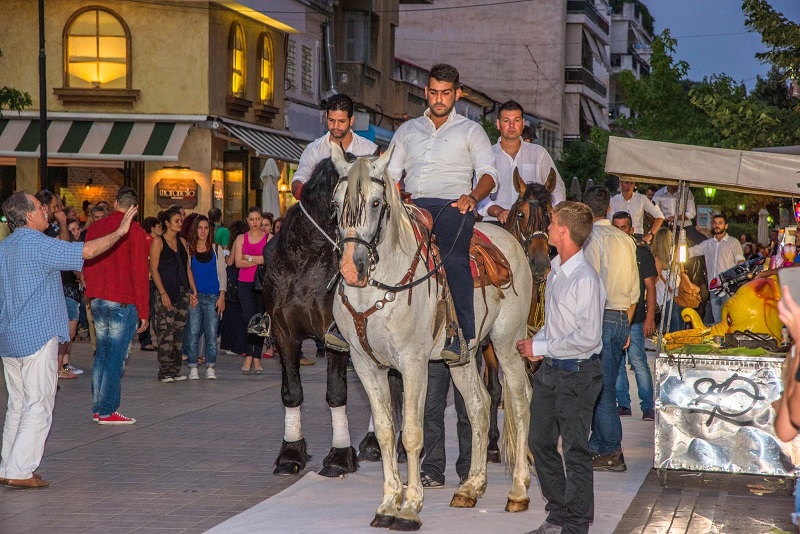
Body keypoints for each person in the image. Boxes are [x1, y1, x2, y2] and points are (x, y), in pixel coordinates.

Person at [386, 63, 499, 487]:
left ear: (457, 94)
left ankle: (462, 335)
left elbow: (490, 174)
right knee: (373, 250)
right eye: (433, 92)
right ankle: (353, 323)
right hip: (413, 207)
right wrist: (394, 198)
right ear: (426, 92)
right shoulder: (407, 131)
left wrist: (472, 196)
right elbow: (391, 173)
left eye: (445, 92)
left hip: (453, 205)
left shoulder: (471, 131)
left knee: (452, 259)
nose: (438, 98)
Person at [0, 192, 138, 488]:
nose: (45, 211)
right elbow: (86, 251)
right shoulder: (36, 243)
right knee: (38, 404)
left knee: (18, 404)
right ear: (28, 216)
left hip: (10, 336)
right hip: (36, 334)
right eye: (40, 208)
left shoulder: (6, 246)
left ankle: (8, 464)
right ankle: (20, 470)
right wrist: (119, 232)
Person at [517, 201, 605, 534]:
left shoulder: (585, 279)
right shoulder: (556, 270)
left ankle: (576, 525)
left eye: (552, 223)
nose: (548, 228)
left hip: (579, 375)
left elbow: (587, 337)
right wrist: (538, 343)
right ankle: (559, 512)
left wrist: (540, 347)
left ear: (564, 231)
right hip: (552, 372)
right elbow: (556, 326)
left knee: (575, 450)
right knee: (539, 442)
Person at [582, 186, 639, 472]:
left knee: (600, 390)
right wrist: (626, 325)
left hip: (600, 317)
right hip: (620, 316)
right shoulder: (626, 240)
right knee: (605, 383)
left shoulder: (590, 238)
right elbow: (634, 291)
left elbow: (589, 285)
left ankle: (612, 450)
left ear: (585, 208)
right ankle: (598, 445)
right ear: (607, 209)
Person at [83, 187, 150, 425]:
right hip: (122, 300)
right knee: (115, 357)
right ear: (135, 209)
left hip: (98, 298)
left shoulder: (96, 227)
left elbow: (87, 260)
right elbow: (140, 272)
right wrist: (144, 310)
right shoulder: (136, 231)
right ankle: (107, 410)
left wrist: (90, 293)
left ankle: (98, 407)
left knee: (102, 353)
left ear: (115, 203)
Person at [477, 100, 565, 224]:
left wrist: (553, 215)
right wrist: (498, 211)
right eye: (506, 121)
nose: (511, 126)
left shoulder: (539, 153)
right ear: (498, 124)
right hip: (495, 222)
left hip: (533, 224)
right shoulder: (487, 155)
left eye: (516, 120)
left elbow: (557, 188)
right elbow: (480, 197)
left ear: (523, 123)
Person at [610, 211, 657, 421]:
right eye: (616, 227)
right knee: (618, 363)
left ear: (631, 229)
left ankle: (648, 406)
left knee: (638, 362)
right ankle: (623, 404)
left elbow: (650, 287)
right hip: (614, 316)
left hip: (636, 318)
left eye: (624, 227)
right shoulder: (608, 253)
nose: (620, 231)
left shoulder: (642, 254)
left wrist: (650, 317)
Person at [290, 93, 378, 200]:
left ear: (351, 120)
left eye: (341, 121)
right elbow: (300, 178)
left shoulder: (369, 150)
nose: (336, 126)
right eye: (331, 120)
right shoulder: (314, 149)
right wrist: (301, 191)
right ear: (326, 117)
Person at [150, 207, 197, 383]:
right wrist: (162, 293)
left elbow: (187, 267)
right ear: (167, 223)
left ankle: (175, 370)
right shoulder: (158, 242)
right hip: (166, 292)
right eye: (177, 221)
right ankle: (165, 372)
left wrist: (193, 289)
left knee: (179, 333)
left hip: (182, 291)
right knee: (166, 333)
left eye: (180, 220)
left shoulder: (182, 241)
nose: (180, 223)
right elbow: (154, 269)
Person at [184, 215, 226, 380]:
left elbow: (222, 274)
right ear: (195, 230)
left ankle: (210, 367)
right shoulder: (189, 250)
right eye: (200, 228)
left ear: (210, 230)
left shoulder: (216, 249)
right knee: (193, 333)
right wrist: (190, 294)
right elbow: (186, 274)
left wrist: (222, 296)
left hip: (213, 297)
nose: (203, 231)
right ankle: (193, 366)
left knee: (211, 335)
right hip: (195, 298)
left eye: (206, 228)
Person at [688, 214, 744, 323]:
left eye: (720, 223)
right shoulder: (707, 244)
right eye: (715, 223)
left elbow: (740, 262)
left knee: (730, 318)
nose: (717, 225)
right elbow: (691, 252)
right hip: (714, 288)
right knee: (718, 319)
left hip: (729, 287)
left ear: (726, 226)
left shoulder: (733, 242)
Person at [233, 207, 267, 374]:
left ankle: (257, 358)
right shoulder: (241, 238)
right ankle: (248, 355)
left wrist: (249, 257)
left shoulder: (268, 238)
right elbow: (238, 263)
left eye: (257, 219)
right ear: (247, 220)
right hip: (244, 283)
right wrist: (258, 260)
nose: (255, 222)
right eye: (252, 219)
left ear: (262, 220)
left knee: (260, 321)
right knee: (249, 319)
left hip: (262, 285)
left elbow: (268, 259)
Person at [58, 218, 85, 380]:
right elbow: (76, 269)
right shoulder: (67, 248)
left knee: (69, 334)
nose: (77, 231)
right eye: (73, 229)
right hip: (67, 293)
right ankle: (58, 367)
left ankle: (65, 364)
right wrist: (83, 279)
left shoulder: (76, 246)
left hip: (74, 293)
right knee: (68, 332)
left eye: (77, 228)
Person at [219, 220, 248, 356]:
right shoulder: (248, 242)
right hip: (245, 280)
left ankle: (236, 345)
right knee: (239, 315)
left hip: (233, 283)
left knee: (232, 315)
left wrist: (224, 258)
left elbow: (230, 262)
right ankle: (237, 345)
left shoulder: (237, 241)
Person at [138, 216, 161, 352]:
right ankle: (145, 340)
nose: (160, 229)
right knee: (149, 309)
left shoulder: (147, 240)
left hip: (148, 278)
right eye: (158, 227)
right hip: (149, 279)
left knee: (150, 309)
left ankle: (146, 339)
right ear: (152, 228)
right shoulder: (150, 241)